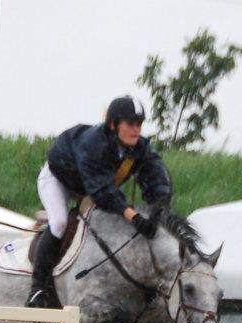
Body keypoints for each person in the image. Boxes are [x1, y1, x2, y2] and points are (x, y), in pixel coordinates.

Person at [28, 95, 173, 308]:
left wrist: (159, 209)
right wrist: (134, 216)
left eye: (139, 124)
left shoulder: (139, 148)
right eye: (130, 124)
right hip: (58, 179)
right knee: (59, 223)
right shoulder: (93, 144)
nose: (136, 130)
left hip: (90, 186)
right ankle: (38, 288)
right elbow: (102, 191)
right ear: (114, 124)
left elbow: (156, 177)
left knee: (114, 227)